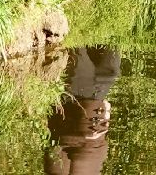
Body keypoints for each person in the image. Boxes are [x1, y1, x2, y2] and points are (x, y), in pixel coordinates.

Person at [43, 46, 120, 175]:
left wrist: (82, 135)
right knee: (113, 55)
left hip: (77, 98)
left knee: (78, 55)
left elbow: (56, 142)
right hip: (97, 98)